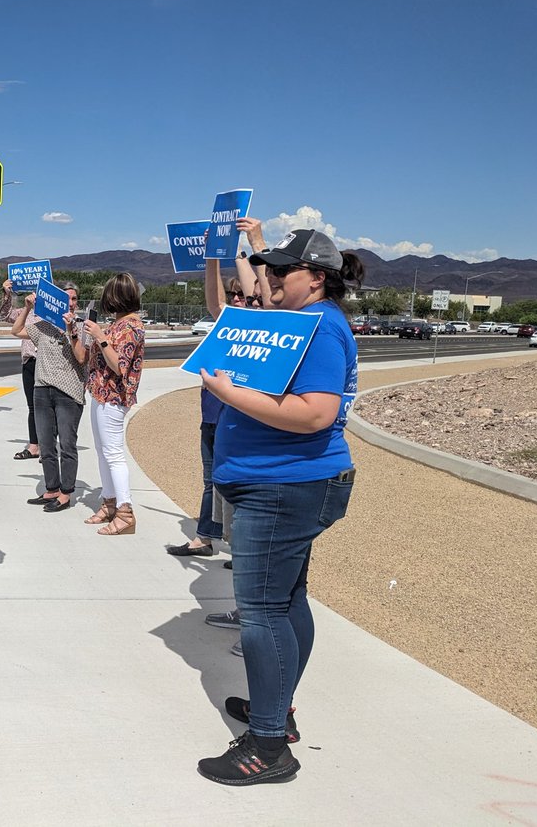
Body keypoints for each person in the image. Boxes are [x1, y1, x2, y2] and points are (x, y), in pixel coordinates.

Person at [196, 225, 363, 785]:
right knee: (288, 600)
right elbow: (241, 301)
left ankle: (267, 748)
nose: (268, 279)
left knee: (263, 612)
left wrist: (226, 394)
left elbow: (316, 412)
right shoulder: (300, 321)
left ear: (315, 279)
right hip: (284, 485)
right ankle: (278, 711)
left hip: (283, 488)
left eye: (280, 272)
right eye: (266, 270)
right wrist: (246, 249)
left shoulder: (317, 329)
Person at [169, 218, 264, 559]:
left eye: (247, 297)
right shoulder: (227, 324)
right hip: (212, 414)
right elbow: (215, 302)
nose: (240, 301)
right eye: (236, 294)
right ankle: (207, 537)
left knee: (236, 484)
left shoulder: (260, 327)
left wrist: (252, 247)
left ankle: (240, 550)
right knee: (212, 480)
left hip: (238, 418)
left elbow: (262, 293)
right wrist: (212, 256)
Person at [11, 282, 87, 512]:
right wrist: (26, 308)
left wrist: (71, 330)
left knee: (66, 444)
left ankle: (66, 494)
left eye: (74, 299)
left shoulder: (83, 327)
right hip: (42, 390)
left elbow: (82, 357)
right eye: (67, 299)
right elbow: (16, 331)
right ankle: (52, 488)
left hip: (68, 393)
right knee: (45, 444)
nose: (71, 303)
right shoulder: (42, 326)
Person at [80, 272, 145, 535]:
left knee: (114, 454)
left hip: (114, 397)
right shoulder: (119, 324)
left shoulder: (131, 327)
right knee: (102, 451)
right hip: (101, 394)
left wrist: (100, 336)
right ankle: (109, 502)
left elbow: (119, 365)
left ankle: (125, 511)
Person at [0, 278, 40, 460]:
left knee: (48, 407)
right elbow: (6, 315)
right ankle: (34, 446)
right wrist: (7, 294)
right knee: (32, 406)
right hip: (29, 362)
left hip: (47, 363)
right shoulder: (26, 312)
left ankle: (48, 446)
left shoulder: (54, 313)